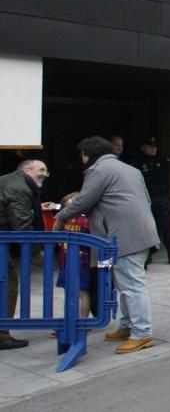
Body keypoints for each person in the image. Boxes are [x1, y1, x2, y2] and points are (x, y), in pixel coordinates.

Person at [55, 136, 160, 355]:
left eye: (82, 155)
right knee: (124, 283)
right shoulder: (129, 169)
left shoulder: (99, 170)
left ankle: (142, 333)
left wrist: (61, 217)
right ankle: (127, 325)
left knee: (131, 284)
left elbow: (84, 200)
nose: (82, 160)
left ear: (88, 153)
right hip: (139, 231)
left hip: (124, 235)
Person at [0, 159, 49, 350]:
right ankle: (2, 334)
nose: (44, 174)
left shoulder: (12, 181)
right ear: (26, 170)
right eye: (41, 170)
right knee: (7, 283)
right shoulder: (20, 188)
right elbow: (21, 224)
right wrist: (36, 254)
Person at [132, 137, 170, 264]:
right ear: (143, 148)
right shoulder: (137, 162)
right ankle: (148, 254)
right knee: (147, 228)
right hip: (146, 199)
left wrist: (151, 174)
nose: (153, 149)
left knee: (167, 227)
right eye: (150, 146)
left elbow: (162, 176)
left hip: (162, 198)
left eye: (155, 146)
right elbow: (141, 179)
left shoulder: (163, 160)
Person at [56, 192, 97, 318]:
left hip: (70, 261)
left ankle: (73, 321)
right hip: (81, 261)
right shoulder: (86, 219)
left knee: (75, 292)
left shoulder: (63, 220)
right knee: (80, 292)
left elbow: (58, 240)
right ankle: (80, 322)